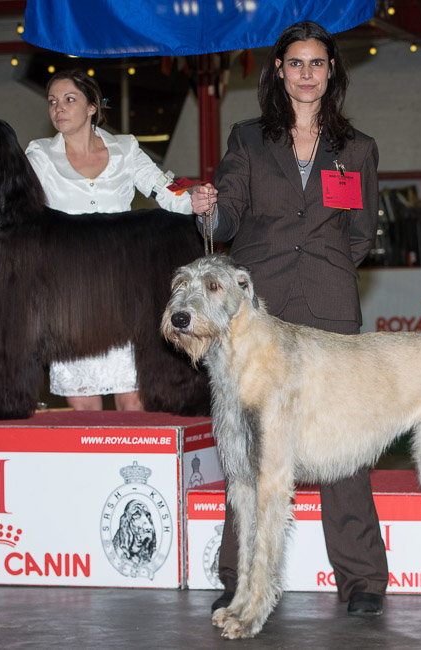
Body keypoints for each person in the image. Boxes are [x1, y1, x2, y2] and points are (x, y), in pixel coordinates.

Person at [190, 21, 387, 616]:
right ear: (278, 70)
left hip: (330, 307)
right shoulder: (248, 139)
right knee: (250, 449)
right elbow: (225, 223)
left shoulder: (357, 148)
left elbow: (361, 233)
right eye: (295, 63)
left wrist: (323, 273)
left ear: (332, 72)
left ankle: (362, 580)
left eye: (317, 63)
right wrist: (209, 211)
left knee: (344, 446)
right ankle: (239, 573)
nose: (306, 73)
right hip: (258, 315)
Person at [25, 69, 196, 412]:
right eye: (52, 102)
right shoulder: (38, 155)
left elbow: (167, 189)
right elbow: (11, 202)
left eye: (69, 100)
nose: (58, 108)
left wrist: (198, 198)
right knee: (82, 402)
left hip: (125, 291)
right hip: (69, 296)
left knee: (132, 398)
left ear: (91, 107)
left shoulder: (125, 148)